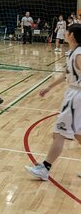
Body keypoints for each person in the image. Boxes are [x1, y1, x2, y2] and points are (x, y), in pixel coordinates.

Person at [26, 23, 81, 181]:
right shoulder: (73, 52)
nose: (65, 33)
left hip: (76, 96)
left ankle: (45, 168)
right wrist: (49, 87)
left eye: (67, 31)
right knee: (78, 134)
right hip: (73, 93)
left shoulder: (79, 54)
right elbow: (65, 74)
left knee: (58, 133)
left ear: (71, 35)